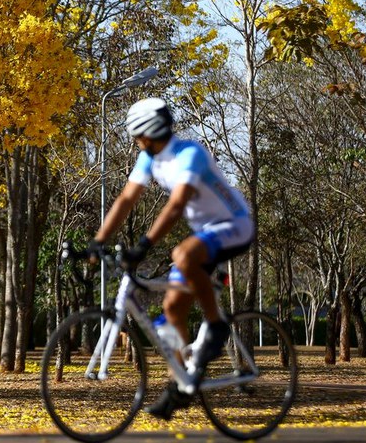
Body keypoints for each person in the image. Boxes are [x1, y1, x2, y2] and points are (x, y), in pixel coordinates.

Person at [89, 97, 254, 419]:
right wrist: (98, 240)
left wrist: (144, 244)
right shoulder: (149, 159)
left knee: (182, 253)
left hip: (235, 224)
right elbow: (125, 199)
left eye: (138, 136)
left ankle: (216, 326)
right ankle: (181, 383)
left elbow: (177, 205)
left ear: (148, 131)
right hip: (207, 232)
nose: (137, 142)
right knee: (171, 309)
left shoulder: (189, 154)